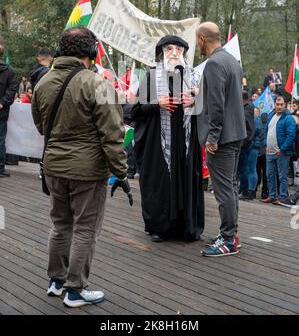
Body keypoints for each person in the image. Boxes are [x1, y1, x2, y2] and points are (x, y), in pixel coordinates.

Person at [31, 27, 132, 308]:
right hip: (87, 171)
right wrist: (121, 172)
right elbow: (112, 135)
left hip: (53, 166)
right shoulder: (97, 84)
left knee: (60, 224)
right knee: (85, 228)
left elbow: (42, 126)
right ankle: (75, 291)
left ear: (61, 50)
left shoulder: (42, 82)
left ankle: (56, 281)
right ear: (92, 52)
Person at [131, 35, 204, 243]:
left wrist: (197, 99)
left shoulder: (194, 77)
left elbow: (207, 108)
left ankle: (186, 227)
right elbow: (134, 111)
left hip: (186, 144)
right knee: (160, 185)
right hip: (159, 145)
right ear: (162, 52)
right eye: (169, 48)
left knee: (186, 182)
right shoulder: (152, 77)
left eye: (179, 49)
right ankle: (158, 227)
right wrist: (156, 104)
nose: (174, 53)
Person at [196, 22, 246, 257]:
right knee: (232, 187)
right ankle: (231, 234)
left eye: (197, 40)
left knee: (223, 189)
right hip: (236, 133)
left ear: (202, 39)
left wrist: (212, 137)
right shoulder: (231, 61)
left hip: (222, 137)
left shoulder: (214, 63)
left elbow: (216, 104)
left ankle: (228, 239)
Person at [260, 96, 296, 204]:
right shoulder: (271, 115)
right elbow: (266, 130)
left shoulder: (288, 118)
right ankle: (272, 195)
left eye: (281, 104)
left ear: (285, 105)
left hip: (282, 152)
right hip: (269, 152)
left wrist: (282, 149)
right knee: (269, 175)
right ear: (274, 104)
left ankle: (282, 197)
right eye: (277, 104)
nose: (279, 106)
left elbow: (291, 136)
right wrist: (266, 145)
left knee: (282, 176)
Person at [0, 44, 17, 177]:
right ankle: (0, 168)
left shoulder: (10, 71)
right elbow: (12, 91)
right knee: (0, 139)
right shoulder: (10, 71)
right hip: (2, 111)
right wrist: (2, 103)